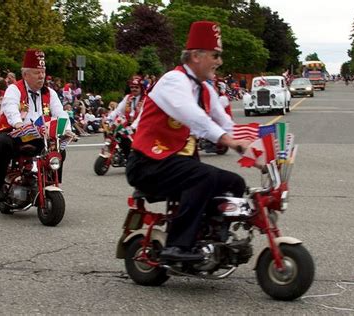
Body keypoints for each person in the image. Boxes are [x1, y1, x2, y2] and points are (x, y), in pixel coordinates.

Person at [126, 21, 251, 261]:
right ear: (196, 55)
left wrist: (256, 149)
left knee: (235, 183)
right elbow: (194, 117)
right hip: (148, 163)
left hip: (174, 164)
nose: (219, 62)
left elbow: (225, 122)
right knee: (203, 176)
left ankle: (212, 240)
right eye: (215, 55)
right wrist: (229, 141)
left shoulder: (205, 88)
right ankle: (178, 246)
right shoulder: (174, 80)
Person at [0, 49, 70, 201]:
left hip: (38, 135)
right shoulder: (14, 89)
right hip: (14, 133)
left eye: (43, 71)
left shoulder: (50, 93)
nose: (41, 76)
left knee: (58, 148)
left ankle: (52, 183)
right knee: (2, 143)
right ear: (25, 74)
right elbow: (10, 108)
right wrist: (18, 123)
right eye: (37, 72)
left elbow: (60, 113)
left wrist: (66, 129)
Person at [107, 76, 145, 160]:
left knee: (124, 135)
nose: (134, 89)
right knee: (111, 131)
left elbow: (141, 115)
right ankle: (115, 150)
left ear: (141, 88)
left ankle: (129, 157)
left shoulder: (145, 99)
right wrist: (109, 119)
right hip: (128, 123)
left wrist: (133, 126)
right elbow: (118, 110)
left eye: (136, 87)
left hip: (139, 125)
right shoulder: (128, 97)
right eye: (132, 87)